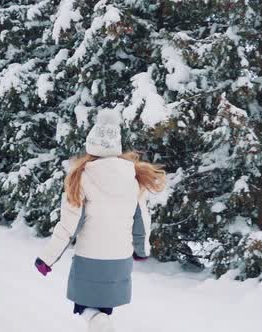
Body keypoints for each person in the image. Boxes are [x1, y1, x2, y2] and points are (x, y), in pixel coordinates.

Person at [34, 110, 166, 332]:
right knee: (103, 308)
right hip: (120, 259)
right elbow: (141, 220)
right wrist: (141, 250)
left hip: (90, 259)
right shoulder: (132, 176)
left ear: (91, 145)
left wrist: (47, 258)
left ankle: (100, 324)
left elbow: (69, 225)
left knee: (84, 308)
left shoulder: (82, 176)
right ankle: (101, 323)